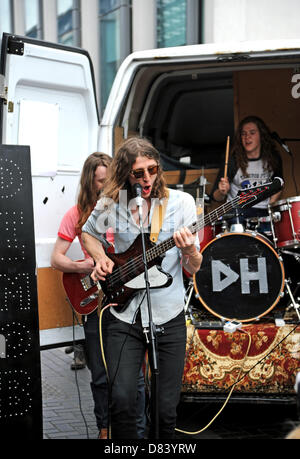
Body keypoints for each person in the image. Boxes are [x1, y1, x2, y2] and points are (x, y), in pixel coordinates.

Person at [81, 137, 202, 439]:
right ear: (125, 174)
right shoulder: (113, 205)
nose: (147, 178)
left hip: (168, 314)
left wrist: (189, 252)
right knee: (122, 399)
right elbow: (88, 234)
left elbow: (193, 267)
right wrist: (99, 258)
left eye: (152, 169)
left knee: (165, 409)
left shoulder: (181, 203)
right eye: (138, 173)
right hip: (124, 315)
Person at [51, 152, 113, 439]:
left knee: (132, 372)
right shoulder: (76, 213)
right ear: (90, 182)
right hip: (97, 300)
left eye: (109, 180)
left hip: (128, 297)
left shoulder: (126, 208)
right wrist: (82, 265)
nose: (105, 186)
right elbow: (56, 259)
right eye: (100, 181)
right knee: (99, 371)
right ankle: (104, 428)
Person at [211, 115, 283, 232]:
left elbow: (279, 184)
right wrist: (222, 191)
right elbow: (215, 196)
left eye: (252, 132)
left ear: (261, 136)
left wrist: (271, 205)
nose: (247, 137)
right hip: (237, 211)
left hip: (263, 212)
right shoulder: (233, 160)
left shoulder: (272, 158)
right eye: (243, 134)